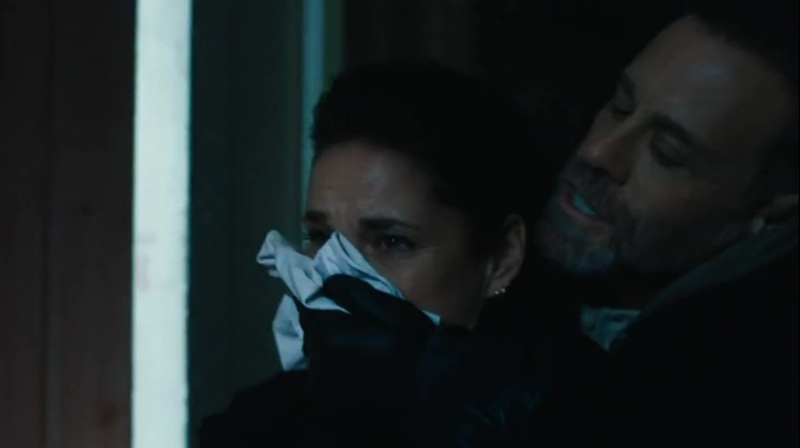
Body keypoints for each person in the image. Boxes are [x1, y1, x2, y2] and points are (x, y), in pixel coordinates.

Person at [197, 62, 555, 447]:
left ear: (501, 258)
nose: (335, 277)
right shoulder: (249, 428)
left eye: (392, 242)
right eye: (319, 236)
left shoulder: (576, 416)